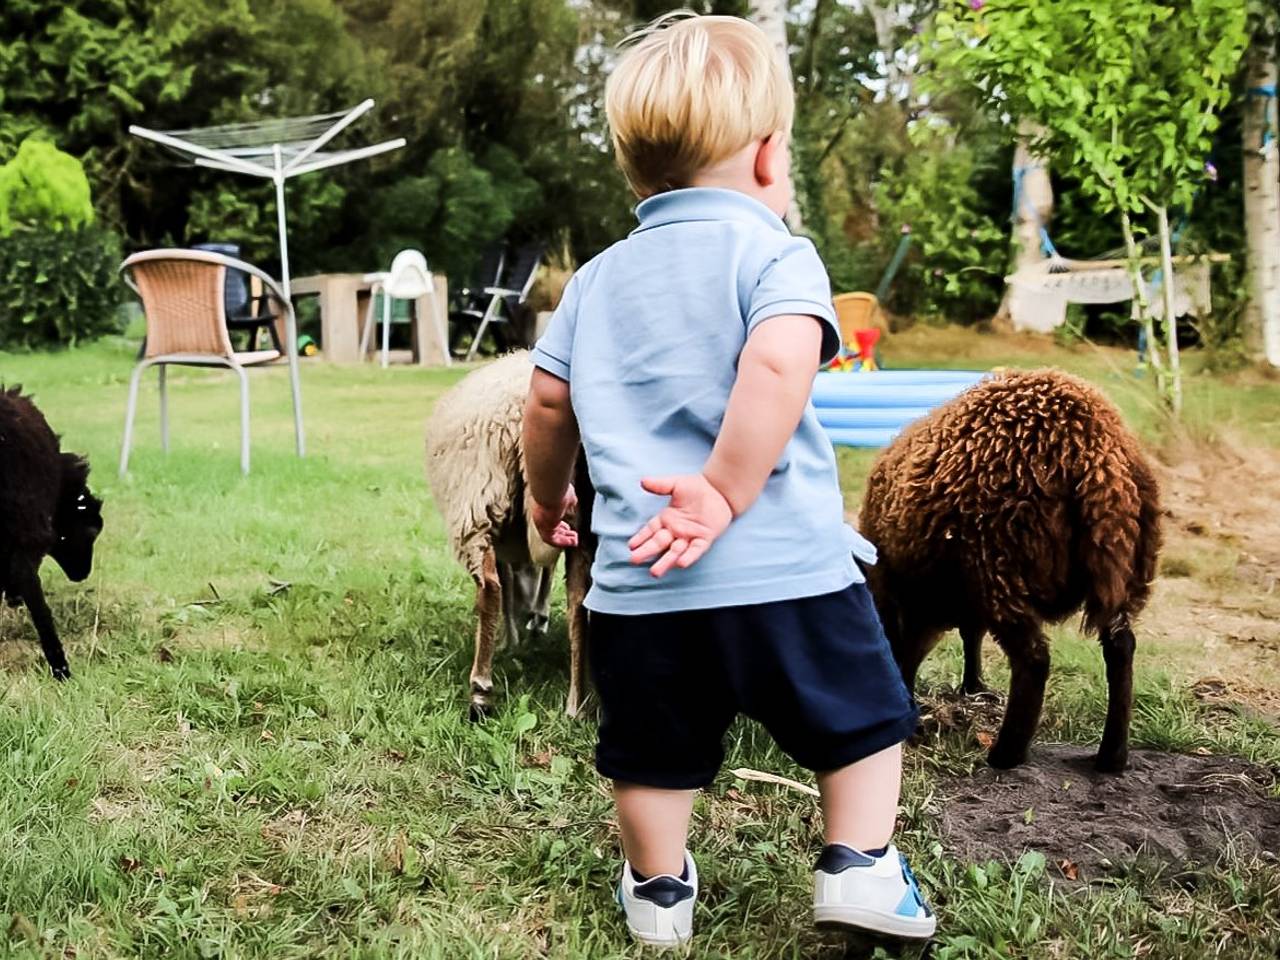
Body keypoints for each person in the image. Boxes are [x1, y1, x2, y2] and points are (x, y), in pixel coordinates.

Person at [521, 12, 935, 949]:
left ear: (636, 172)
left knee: (652, 752)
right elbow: (782, 361)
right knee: (863, 721)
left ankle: (660, 892)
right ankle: (861, 866)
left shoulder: (594, 279)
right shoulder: (777, 254)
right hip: (788, 571)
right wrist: (725, 489)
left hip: (640, 582)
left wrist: (549, 501)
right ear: (768, 157)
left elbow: (545, 405)